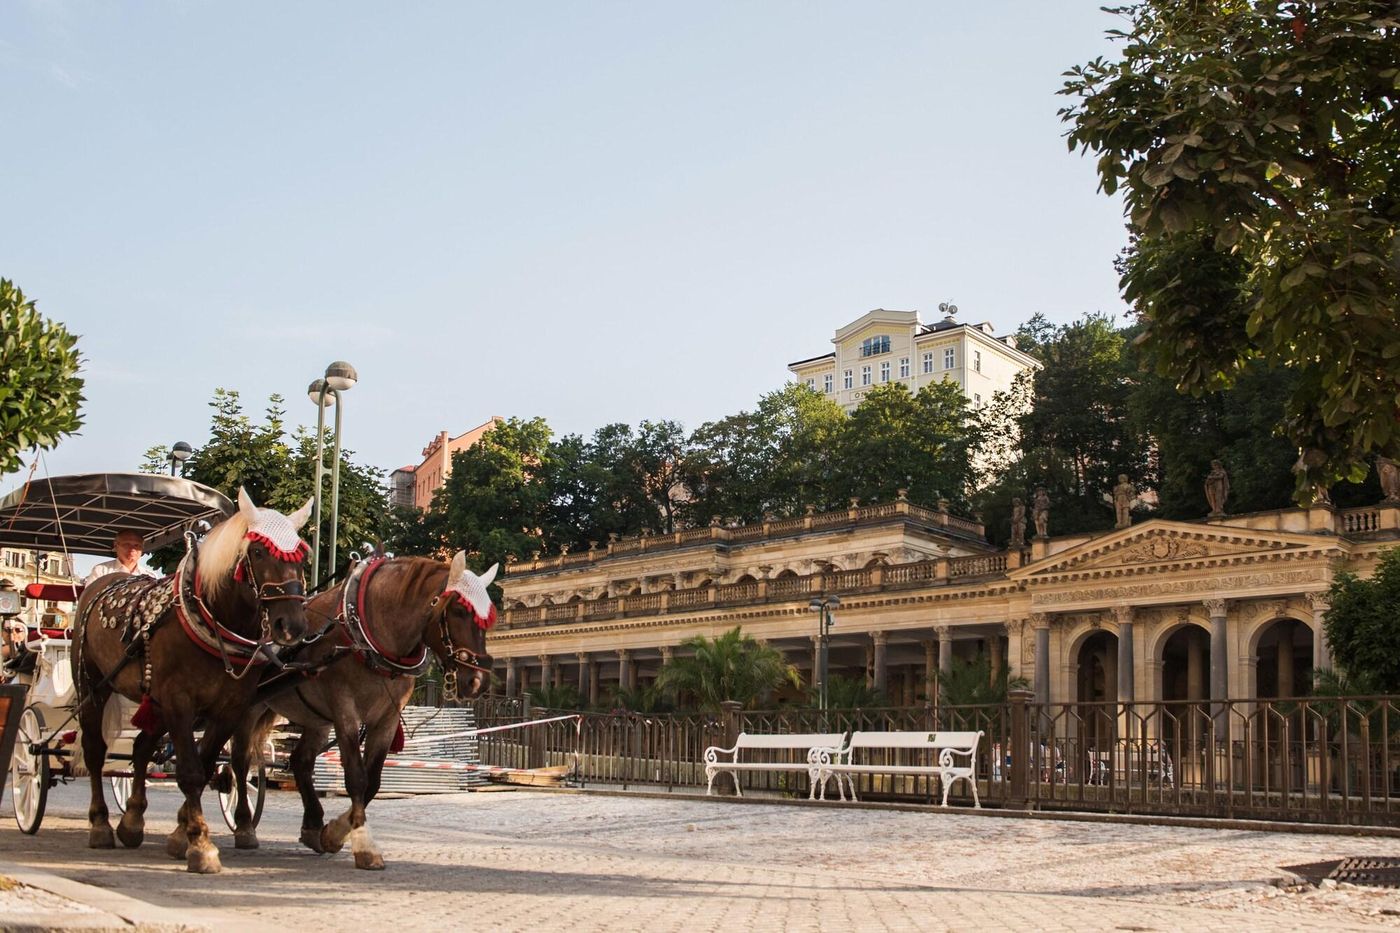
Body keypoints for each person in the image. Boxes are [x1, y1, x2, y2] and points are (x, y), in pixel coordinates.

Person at [82, 530, 155, 586]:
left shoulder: (150, 576)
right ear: (116, 545)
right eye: (127, 544)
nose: (132, 549)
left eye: (137, 545)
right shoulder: (101, 571)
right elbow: (89, 600)